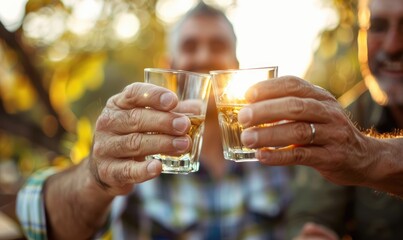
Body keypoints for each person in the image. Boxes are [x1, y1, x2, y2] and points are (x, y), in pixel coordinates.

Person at [16, 2, 291, 240]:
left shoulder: (273, 151)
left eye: (217, 46)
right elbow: (43, 224)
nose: (204, 56)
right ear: (168, 64)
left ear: (236, 66)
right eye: (190, 45)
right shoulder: (137, 152)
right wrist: (95, 178)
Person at [234, 0, 403, 239]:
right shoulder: (349, 119)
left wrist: (369, 155)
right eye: (377, 26)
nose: (393, 45)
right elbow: (310, 213)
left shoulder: (349, 136)